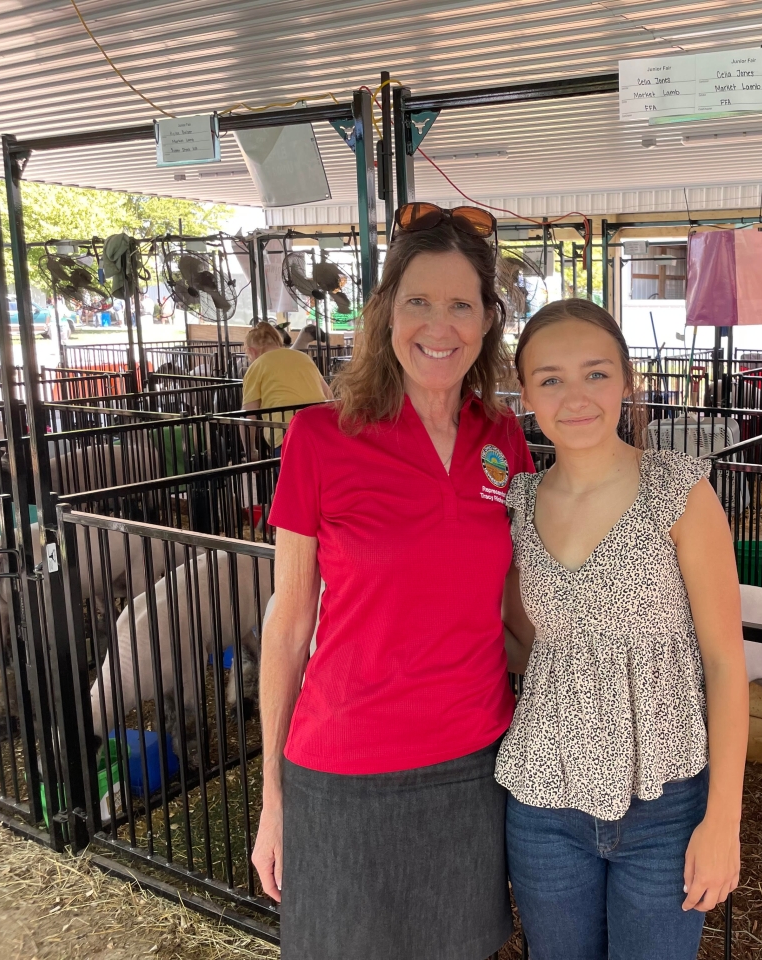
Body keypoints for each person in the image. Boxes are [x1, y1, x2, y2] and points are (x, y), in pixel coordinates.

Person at [251, 203, 534, 960]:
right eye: (417, 302)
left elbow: (520, 604)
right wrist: (273, 800)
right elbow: (286, 629)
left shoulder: (501, 437)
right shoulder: (319, 437)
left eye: (459, 306)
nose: (438, 327)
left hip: (473, 765)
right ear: (384, 313)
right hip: (342, 768)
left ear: (485, 321)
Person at [499, 298, 748, 960]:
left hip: (665, 808)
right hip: (544, 801)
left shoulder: (678, 491)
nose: (575, 396)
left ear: (627, 379)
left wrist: (723, 820)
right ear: (524, 393)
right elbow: (527, 643)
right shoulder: (520, 504)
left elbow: (725, 662)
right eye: (550, 378)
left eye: (596, 373)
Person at [241, 322, 333, 452]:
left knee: (289, 472)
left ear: (252, 351)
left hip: (285, 434)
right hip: (320, 431)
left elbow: (248, 415)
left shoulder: (257, 366)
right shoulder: (304, 357)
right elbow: (329, 396)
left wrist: (250, 451)